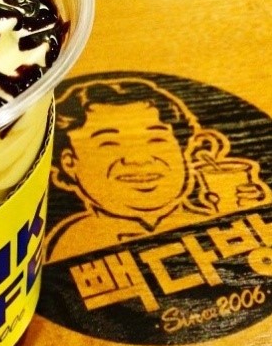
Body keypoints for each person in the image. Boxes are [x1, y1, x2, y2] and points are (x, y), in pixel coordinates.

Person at [45, 77, 270, 261]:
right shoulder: (73, 243)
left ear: (184, 150)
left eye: (156, 140)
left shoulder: (206, 220)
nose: (139, 159)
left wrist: (241, 221)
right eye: (109, 144)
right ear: (69, 163)